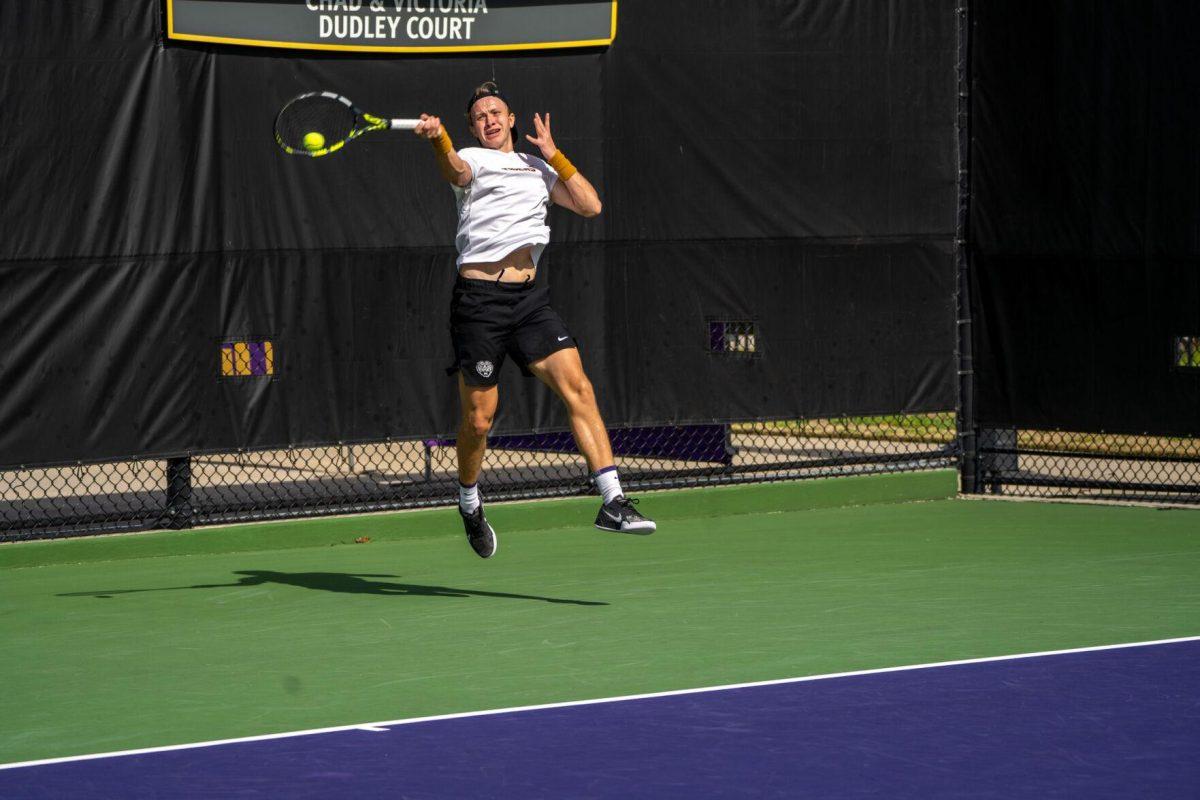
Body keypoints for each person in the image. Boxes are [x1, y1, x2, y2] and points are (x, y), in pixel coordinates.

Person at [412, 81, 656, 558]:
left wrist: (555, 154)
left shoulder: (538, 168)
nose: (489, 119)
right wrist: (439, 139)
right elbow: (455, 170)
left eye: (496, 111)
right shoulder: (471, 159)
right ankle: (468, 500)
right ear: (472, 127)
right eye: (480, 115)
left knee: (578, 387)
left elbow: (590, 205)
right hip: (479, 304)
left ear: (511, 119)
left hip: (528, 301)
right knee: (479, 421)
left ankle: (612, 500)